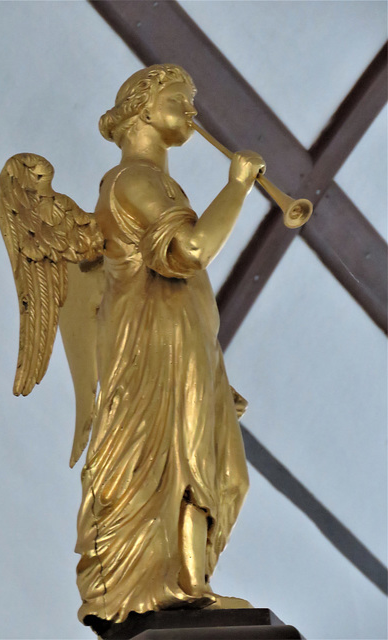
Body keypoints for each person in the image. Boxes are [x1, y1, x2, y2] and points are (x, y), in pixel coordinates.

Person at [75, 64, 265, 628]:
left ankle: (189, 581)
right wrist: (237, 187)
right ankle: (180, 586)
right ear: (141, 108)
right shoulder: (133, 180)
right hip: (157, 346)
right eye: (181, 100)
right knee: (183, 464)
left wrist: (212, 369)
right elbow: (191, 252)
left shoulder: (156, 183)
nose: (192, 113)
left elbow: (191, 289)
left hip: (185, 342)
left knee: (227, 474)